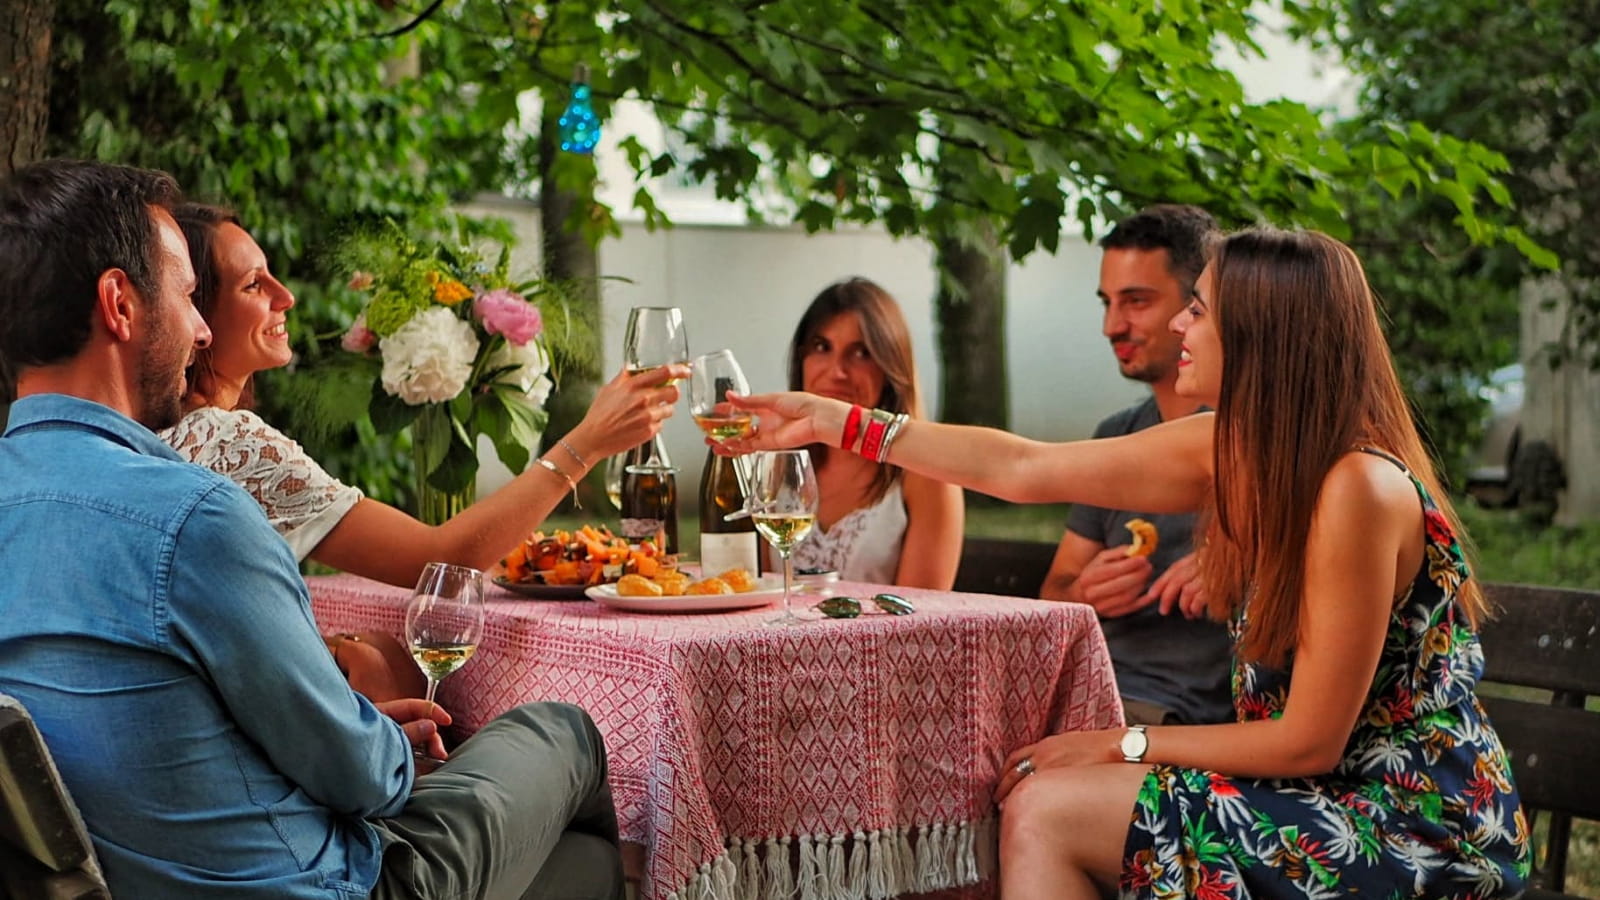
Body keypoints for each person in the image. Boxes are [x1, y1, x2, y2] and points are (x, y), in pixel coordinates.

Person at [724, 228, 1529, 899]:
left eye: (1200, 309)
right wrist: (836, 420)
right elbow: (1022, 468)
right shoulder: (1234, 449)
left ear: (1261, 332)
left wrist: (1122, 745)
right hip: (1313, 801)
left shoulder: (1357, 485)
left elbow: (1306, 744)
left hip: (1413, 825)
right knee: (1032, 793)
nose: (1182, 325)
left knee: (1048, 809)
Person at [0, 159, 625, 899]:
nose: (199, 329)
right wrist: (374, 738)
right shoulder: (193, 517)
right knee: (565, 735)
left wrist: (342, 724)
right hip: (307, 883)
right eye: (189, 296)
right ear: (121, 304)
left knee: (579, 866)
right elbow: (365, 780)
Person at [160, 203, 687, 592]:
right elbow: (440, 563)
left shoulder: (160, 430)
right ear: (194, 309)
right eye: (254, 285)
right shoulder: (229, 442)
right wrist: (587, 444)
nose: (286, 296)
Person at [1039, 204, 1231, 726]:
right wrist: (1085, 593)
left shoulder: (1258, 440)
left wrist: (1238, 567)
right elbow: (1055, 590)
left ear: (1196, 306)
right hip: (1095, 697)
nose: (1111, 326)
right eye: (1107, 302)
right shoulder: (1117, 434)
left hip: (1186, 720)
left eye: (1136, 302)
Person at [783, 277, 963, 587]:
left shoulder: (928, 477)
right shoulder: (776, 466)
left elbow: (924, 624)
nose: (837, 372)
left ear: (891, 367)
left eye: (861, 353)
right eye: (822, 347)